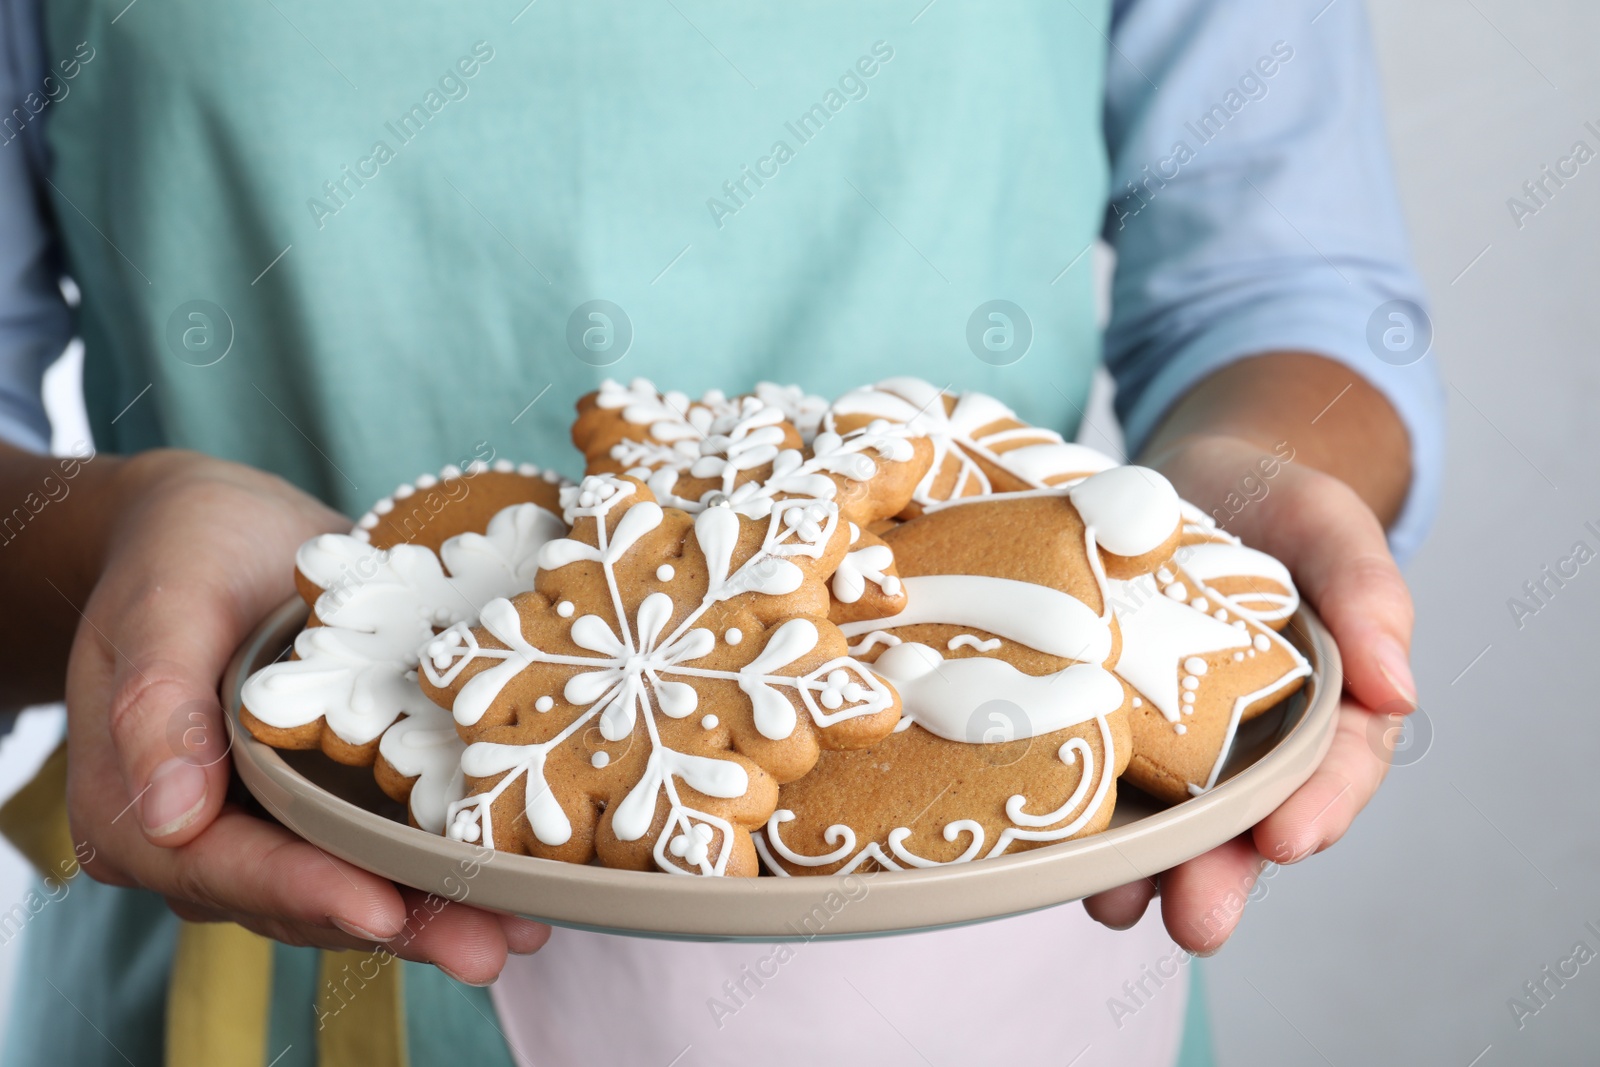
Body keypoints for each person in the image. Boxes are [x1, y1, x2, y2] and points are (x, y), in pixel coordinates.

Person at [0, 0, 1442, 1062]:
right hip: (254, 965)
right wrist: (118, 536)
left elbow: (1283, 291)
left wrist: (1235, 504)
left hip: (1000, 938)